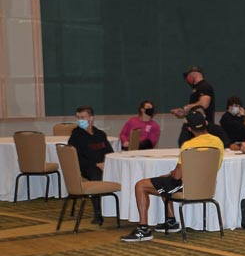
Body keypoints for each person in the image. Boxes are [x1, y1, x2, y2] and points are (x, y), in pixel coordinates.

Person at [121, 109, 224, 242]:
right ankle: (171, 221)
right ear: (206, 123)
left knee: (141, 185)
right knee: (163, 183)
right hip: (207, 186)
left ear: (189, 128)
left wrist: (171, 174)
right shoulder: (218, 142)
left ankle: (143, 229)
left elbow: (176, 176)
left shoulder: (189, 145)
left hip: (187, 187)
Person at [68, 105, 115, 225]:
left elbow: (110, 152)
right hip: (88, 167)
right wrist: (96, 164)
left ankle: (117, 210)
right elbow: (77, 158)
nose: (80, 120)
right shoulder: (76, 136)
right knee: (96, 176)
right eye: (78, 118)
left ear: (91, 118)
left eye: (83, 117)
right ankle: (97, 213)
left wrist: (105, 163)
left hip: (104, 165)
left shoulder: (100, 134)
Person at [172, 65, 216, 147]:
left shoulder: (205, 86)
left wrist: (188, 107)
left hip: (203, 128)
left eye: (188, 76)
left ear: (194, 74)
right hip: (194, 128)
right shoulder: (197, 89)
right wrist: (184, 112)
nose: (187, 79)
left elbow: (204, 104)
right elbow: (196, 110)